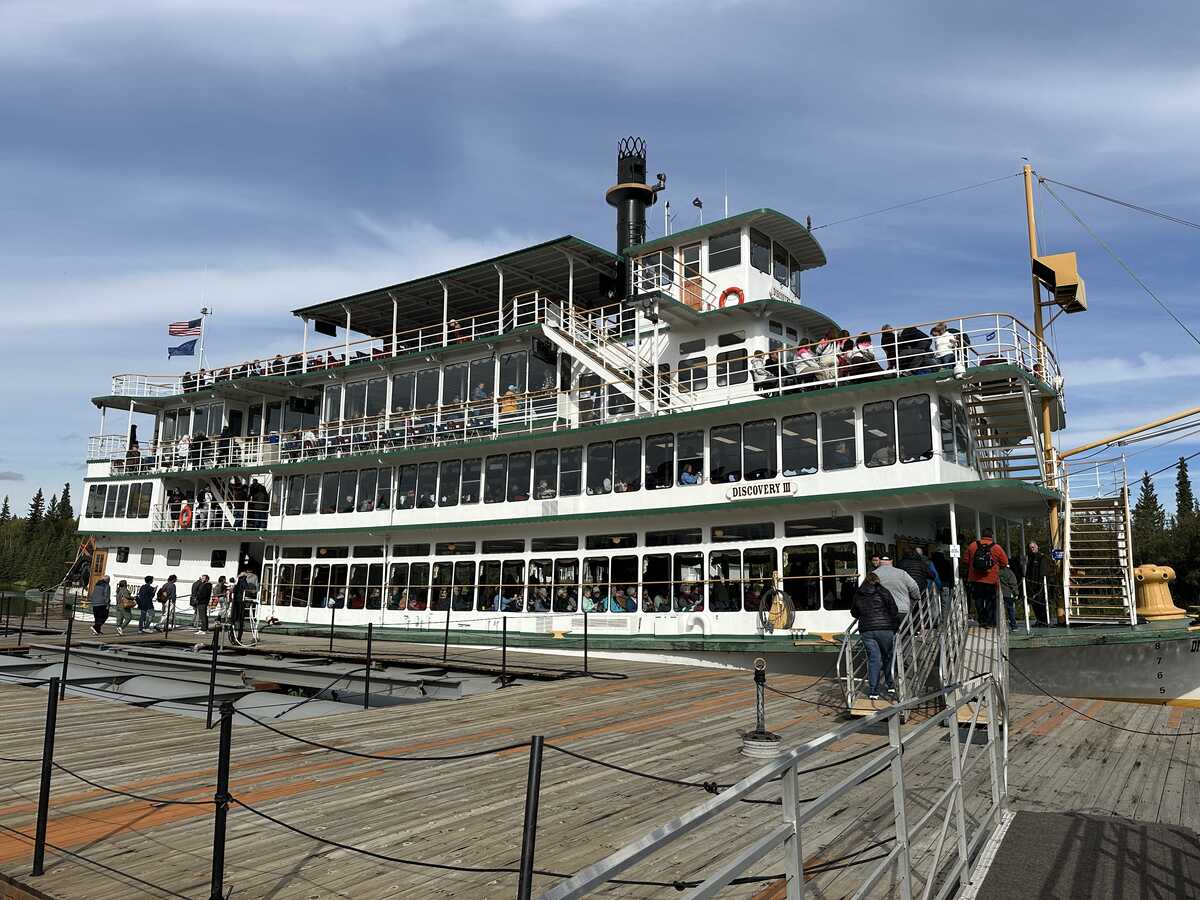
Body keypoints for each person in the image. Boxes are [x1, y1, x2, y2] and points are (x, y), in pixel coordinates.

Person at [851, 572, 900, 700]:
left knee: (874, 659)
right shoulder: (884, 591)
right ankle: (890, 684)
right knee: (888, 656)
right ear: (877, 580)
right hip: (885, 628)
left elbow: (854, 612)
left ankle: (873, 691)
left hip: (866, 629)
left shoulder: (859, 593)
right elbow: (894, 610)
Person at [962, 529, 1009, 626]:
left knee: (978, 599)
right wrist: (996, 566)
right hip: (991, 579)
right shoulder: (997, 547)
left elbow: (965, 560)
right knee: (990, 600)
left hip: (975, 578)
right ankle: (990, 621)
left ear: (982, 535)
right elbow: (1005, 562)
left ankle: (982, 619)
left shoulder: (972, 545)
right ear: (992, 536)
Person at [872, 556, 922, 622]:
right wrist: (916, 597)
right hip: (902, 610)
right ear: (891, 561)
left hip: (882, 611)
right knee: (903, 631)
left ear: (880, 561)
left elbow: (866, 590)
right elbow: (914, 587)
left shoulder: (873, 574)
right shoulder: (902, 573)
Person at [1023, 541, 1048, 625]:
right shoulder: (1029, 558)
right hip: (1031, 586)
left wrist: (1041, 585)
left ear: (1037, 547)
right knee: (1034, 604)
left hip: (1039, 585)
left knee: (1041, 603)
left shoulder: (1042, 557)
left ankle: (1044, 620)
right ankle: (1039, 620)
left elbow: (1043, 572)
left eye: (1033, 547)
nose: (1032, 549)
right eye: (1030, 548)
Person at [998, 564, 1019, 630]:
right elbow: (1013, 584)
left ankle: (1000, 626)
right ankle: (1014, 626)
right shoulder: (1009, 572)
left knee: (999, 610)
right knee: (1010, 610)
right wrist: (1016, 593)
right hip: (1008, 594)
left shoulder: (996, 571)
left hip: (998, 594)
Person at [232, 571, 250, 641]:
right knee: (240, 619)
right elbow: (246, 587)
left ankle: (233, 637)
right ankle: (238, 638)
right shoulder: (243, 581)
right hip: (240, 601)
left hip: (235, 600)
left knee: (234, 618)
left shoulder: (237, 581)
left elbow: (234, 589)